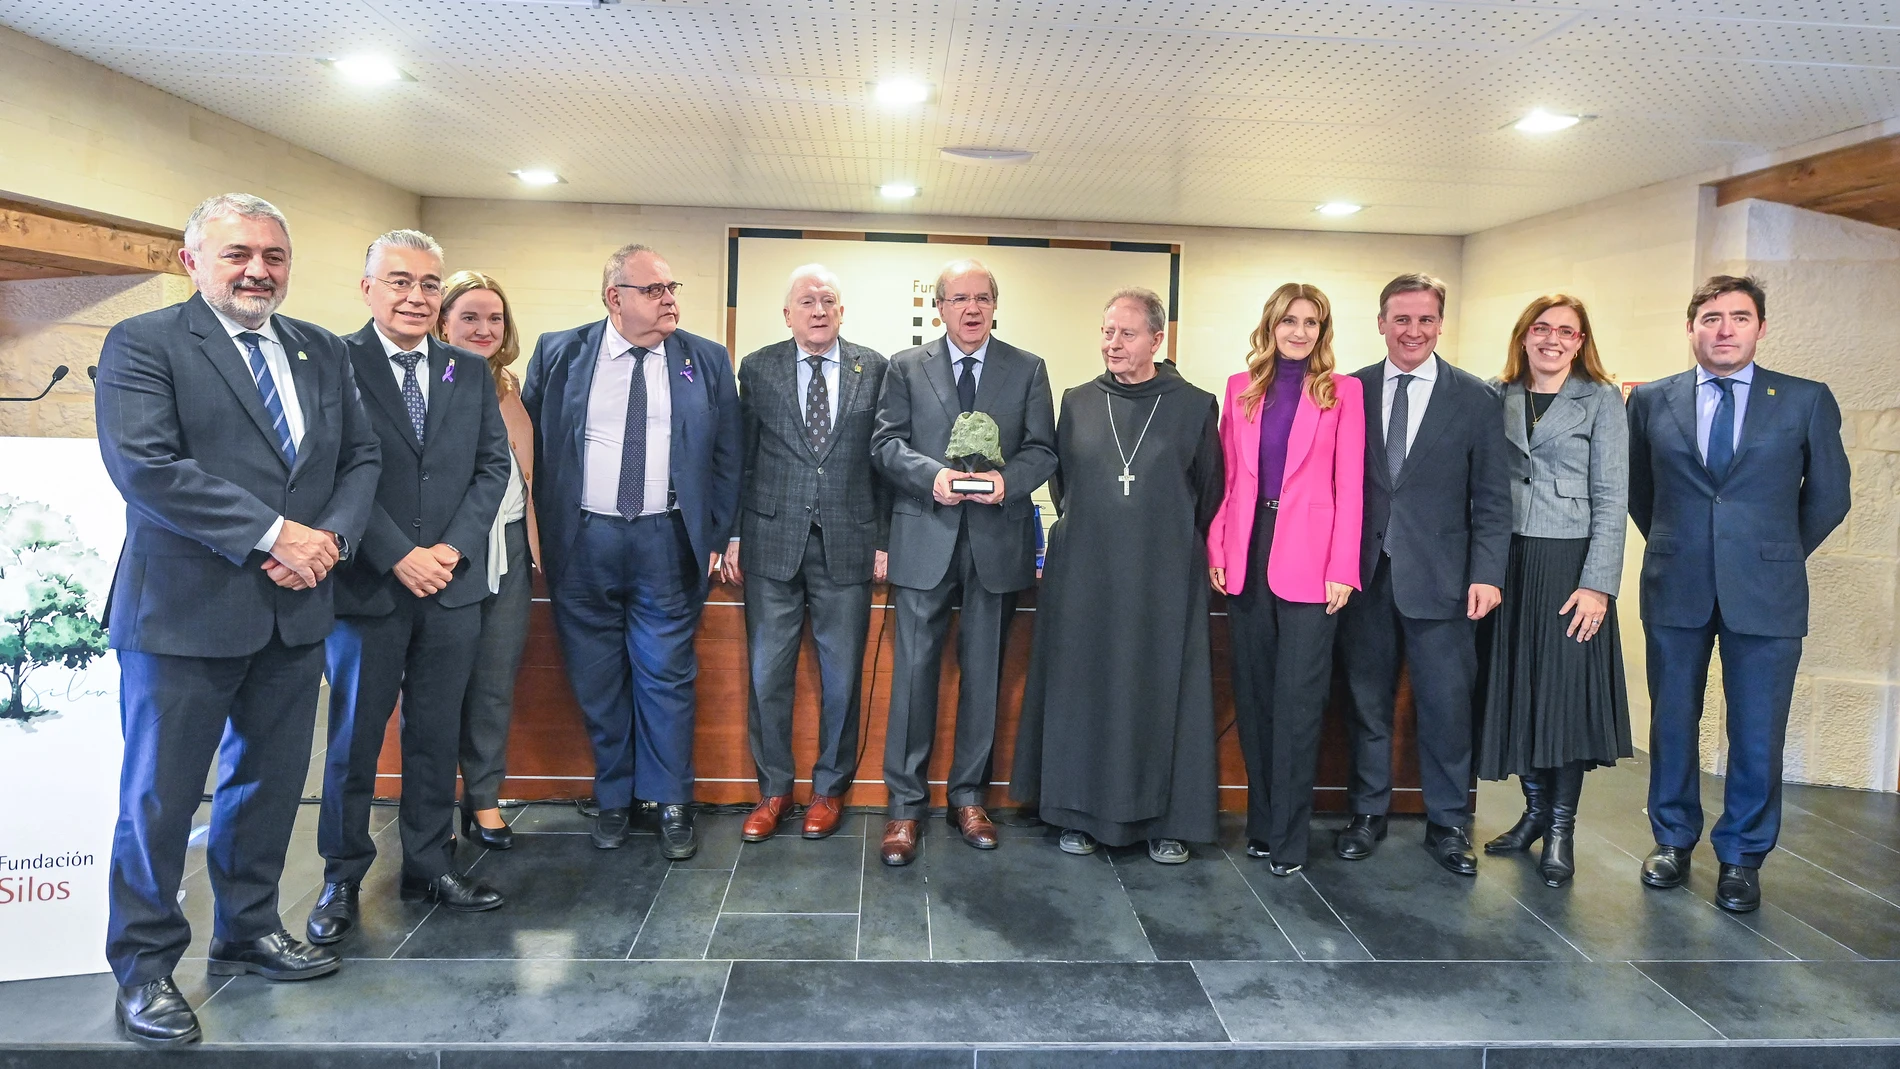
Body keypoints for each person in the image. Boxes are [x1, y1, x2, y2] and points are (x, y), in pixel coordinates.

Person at [95, 193, 381, 1046]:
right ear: (194, 261)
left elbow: (359, 457)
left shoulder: (319, 349)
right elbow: (146, 465)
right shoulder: (144, 345)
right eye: (238, 255)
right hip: (183, 612)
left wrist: (327, 539)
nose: (258, 269)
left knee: (267, 782)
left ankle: (248, 928)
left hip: (296, 610)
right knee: (162, 797)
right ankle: (145, 969)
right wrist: (274, 536)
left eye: (273, 255)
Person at [306, 231, 511, 945]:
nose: (415, 297)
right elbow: (331, 469)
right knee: (355, 741)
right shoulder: (332, 361)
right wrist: (400, 555)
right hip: (369, 587)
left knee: (435, 734)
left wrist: (451, 549)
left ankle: (430, 862)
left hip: (450, 589)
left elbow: (493, 470)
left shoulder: (466, 370)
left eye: (429, 284)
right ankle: (341, 875)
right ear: (367, 288)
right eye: (399, 281)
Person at [1628, 275, 1850, 913]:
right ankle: (1671, 839)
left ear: (1760, 328)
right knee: (1673, 721)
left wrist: (1775, 551)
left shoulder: (1805, 400)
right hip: (1677, 583)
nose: (1724, 329)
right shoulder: (1650, 402)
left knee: (1757, 730)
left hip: (1768, 590)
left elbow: (1830, 495)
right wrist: (1682, 542)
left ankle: (1742, 856)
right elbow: (1643, 494)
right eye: (1711, 317)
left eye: (1739, 317)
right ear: (1691, 326)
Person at [520, 243, 742, 860]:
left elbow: (727, 455)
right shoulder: (560, 352)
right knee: (597, 678)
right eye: (654, 290)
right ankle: (614, 798)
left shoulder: (706, 359)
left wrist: (722, 536)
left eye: (672, 288)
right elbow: (528, 450)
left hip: (666, 540)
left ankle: (671, 800)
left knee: (667, 675)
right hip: (583, 540)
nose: (670, 299)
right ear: (615, 299)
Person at [1011, 288, 1222, 864]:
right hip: (1085, 577)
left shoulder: (1195, 406)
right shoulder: (1077, 402)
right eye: (1107, 332)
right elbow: (1065, 487)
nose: (1113, 343)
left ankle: (1168, 820)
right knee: (1085, 690)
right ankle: (1076, 813)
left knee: (1161, 693)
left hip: (1162, 577)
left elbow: (1207, 491)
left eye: (1126, 334)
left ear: (1157, 339)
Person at [871, 258, 1057, 866]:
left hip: (996, 542)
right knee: (914, 678)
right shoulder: (904, 367)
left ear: (994, 305)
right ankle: (904, 809)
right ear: (940, 307)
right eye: (959, 298)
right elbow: (886, 444)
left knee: (984, 676)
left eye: (981, 298)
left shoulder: (1027, 368)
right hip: (925, 537)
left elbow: (1042, 450)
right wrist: (934, 477)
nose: (971, 308)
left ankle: (970, 797)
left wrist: (1009, 482)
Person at [1334, 273, 1512, 876]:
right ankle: (1367, 813)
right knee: (1367, 702)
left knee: (1446, 705)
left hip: (1446, 579)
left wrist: (1487, 573)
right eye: (1402, 319)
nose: (1414, 331)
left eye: (1426, 320)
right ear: (1381, 323)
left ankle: (1449, 823)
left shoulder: (1475, 398)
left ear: (1441, 324)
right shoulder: (1349, 391)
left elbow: (1492, 497)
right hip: (1363, 574)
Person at [722, 265, 890, 841]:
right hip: (770, 543)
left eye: (828, 301)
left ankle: (828, 790)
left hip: (848, 544)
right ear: (787, 313)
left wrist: (885, 539)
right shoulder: (759, 367)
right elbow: (742, 457)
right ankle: (773, 791)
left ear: (842, 312)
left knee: (841, 680)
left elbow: (885, 462)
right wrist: (735, 535)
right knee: (768, 675)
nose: (818, 310)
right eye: (806, 301)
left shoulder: (876, 368)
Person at [1206, 283, 1365, 876]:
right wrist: (1218, 547)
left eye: (1311, 323)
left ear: (1323, 333)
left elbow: (1351, 489)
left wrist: (1342, 568)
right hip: (1249, 551)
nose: (1299, 332)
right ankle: (1263, 823)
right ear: (1270, 326)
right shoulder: (1240, 390)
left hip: (1313, 562)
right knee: (1254, 698)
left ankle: (1291, 840)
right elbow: (1226, 480)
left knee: (1298, 704)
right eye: (1289, 321)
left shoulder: (1343, 393)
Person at [1476, 295, 1632, 888]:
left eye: (1566, 332)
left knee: (1562, 701)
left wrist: (1598, 585)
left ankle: (1561, 829)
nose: (1552, 340)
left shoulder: (1601, 400)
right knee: (1520, 692)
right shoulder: (1496, 394)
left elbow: (1613, 499)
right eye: (1542, 328)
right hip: (1506, 558)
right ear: (1523, 336)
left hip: (1569, 565)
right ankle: (1535, 813)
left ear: (1580, 340)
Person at [438, 270, 542, 850]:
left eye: (494, 318)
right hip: (451, 554)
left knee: (494, 683)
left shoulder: (509, 386)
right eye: (469, 317)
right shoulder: (430, 379)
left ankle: (483, 798)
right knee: (439, 687)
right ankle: (430, 809)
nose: (483, 328)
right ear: (442, 322)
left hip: (511, 548)